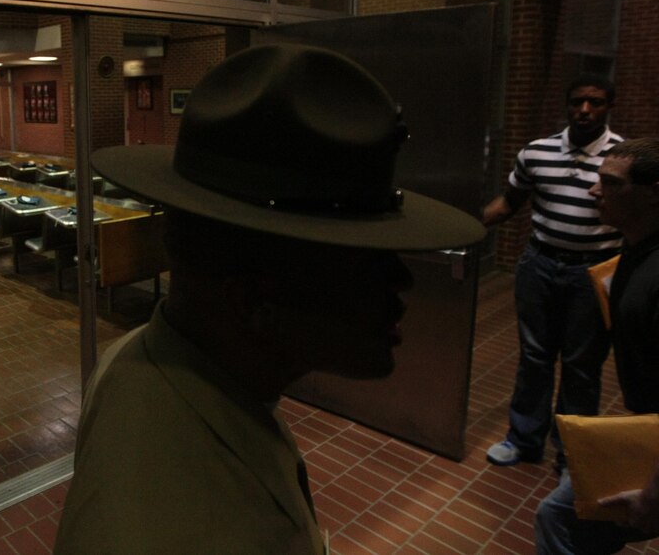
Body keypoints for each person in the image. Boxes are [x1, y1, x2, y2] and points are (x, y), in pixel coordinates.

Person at [52, 44, 485, 553]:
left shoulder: (149, 360)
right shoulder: (188, 532)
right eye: (365, 259)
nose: (401, 281)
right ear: (255, 298)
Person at [484, 76, 623, 469]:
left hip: (594, 271)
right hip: (540, 265)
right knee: (534, 357)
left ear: (608, 106)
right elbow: (509, 203)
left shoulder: (623, 157)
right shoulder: (537, 152)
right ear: (567, 105)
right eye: (577, 101)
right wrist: (468, 227)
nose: (585, 110)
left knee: (583, 364)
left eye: (594, 102)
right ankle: (524, 440)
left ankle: (571, 451)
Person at [535, 137, 659, 554]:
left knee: (561, 518)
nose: (593, 191)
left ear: (653, 193)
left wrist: (655, 492)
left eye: (610, 183)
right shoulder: (635, 248)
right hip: (646, 424)